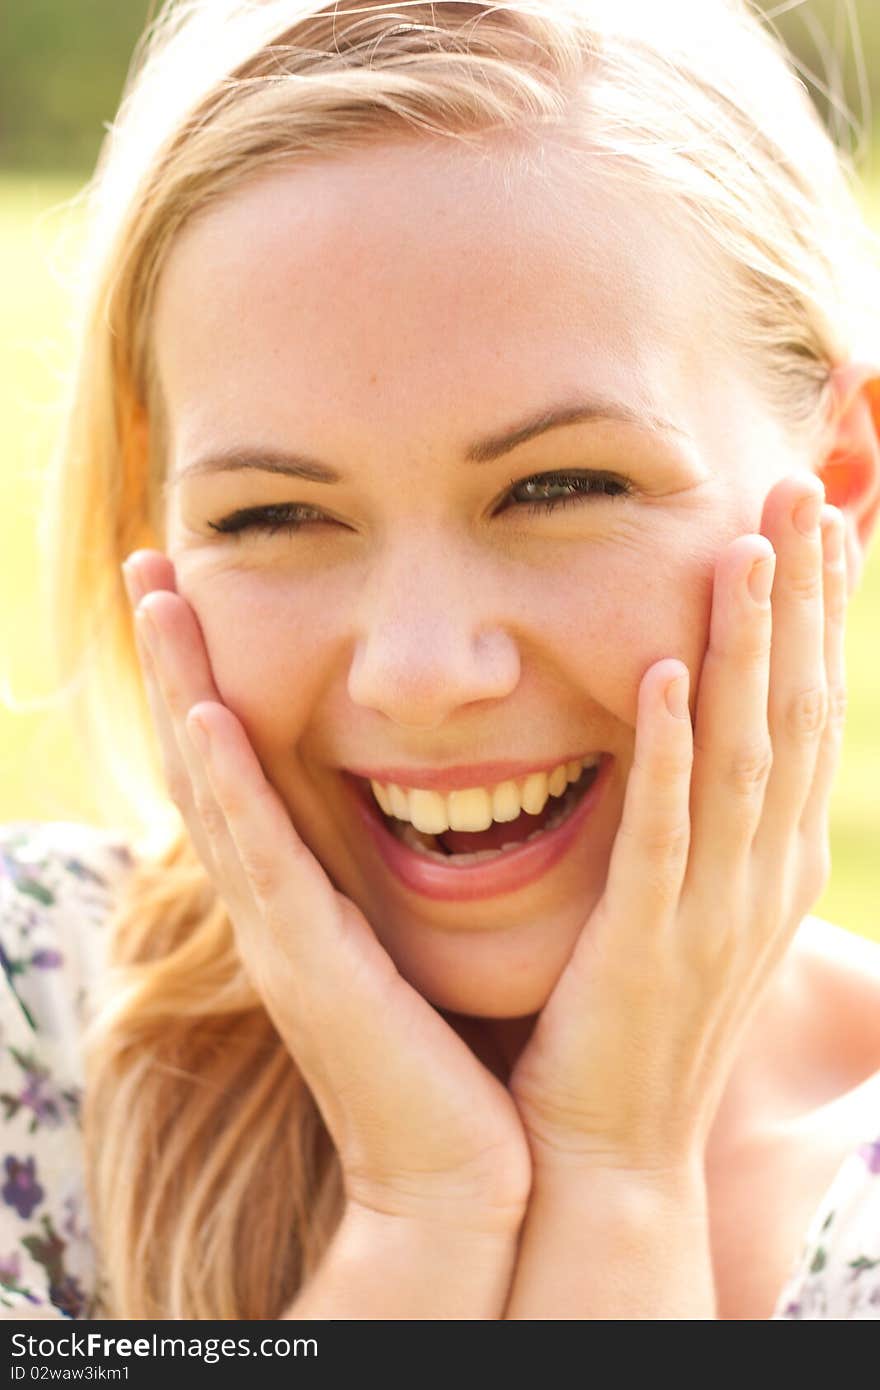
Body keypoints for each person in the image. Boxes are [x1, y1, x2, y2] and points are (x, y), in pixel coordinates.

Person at [2, 0, 880, 1322]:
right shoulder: (36, 1018)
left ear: (839, 482)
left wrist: (618, 1173)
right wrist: (423, 1215)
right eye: (273, 514)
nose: (419, 672)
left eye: (562, 483)